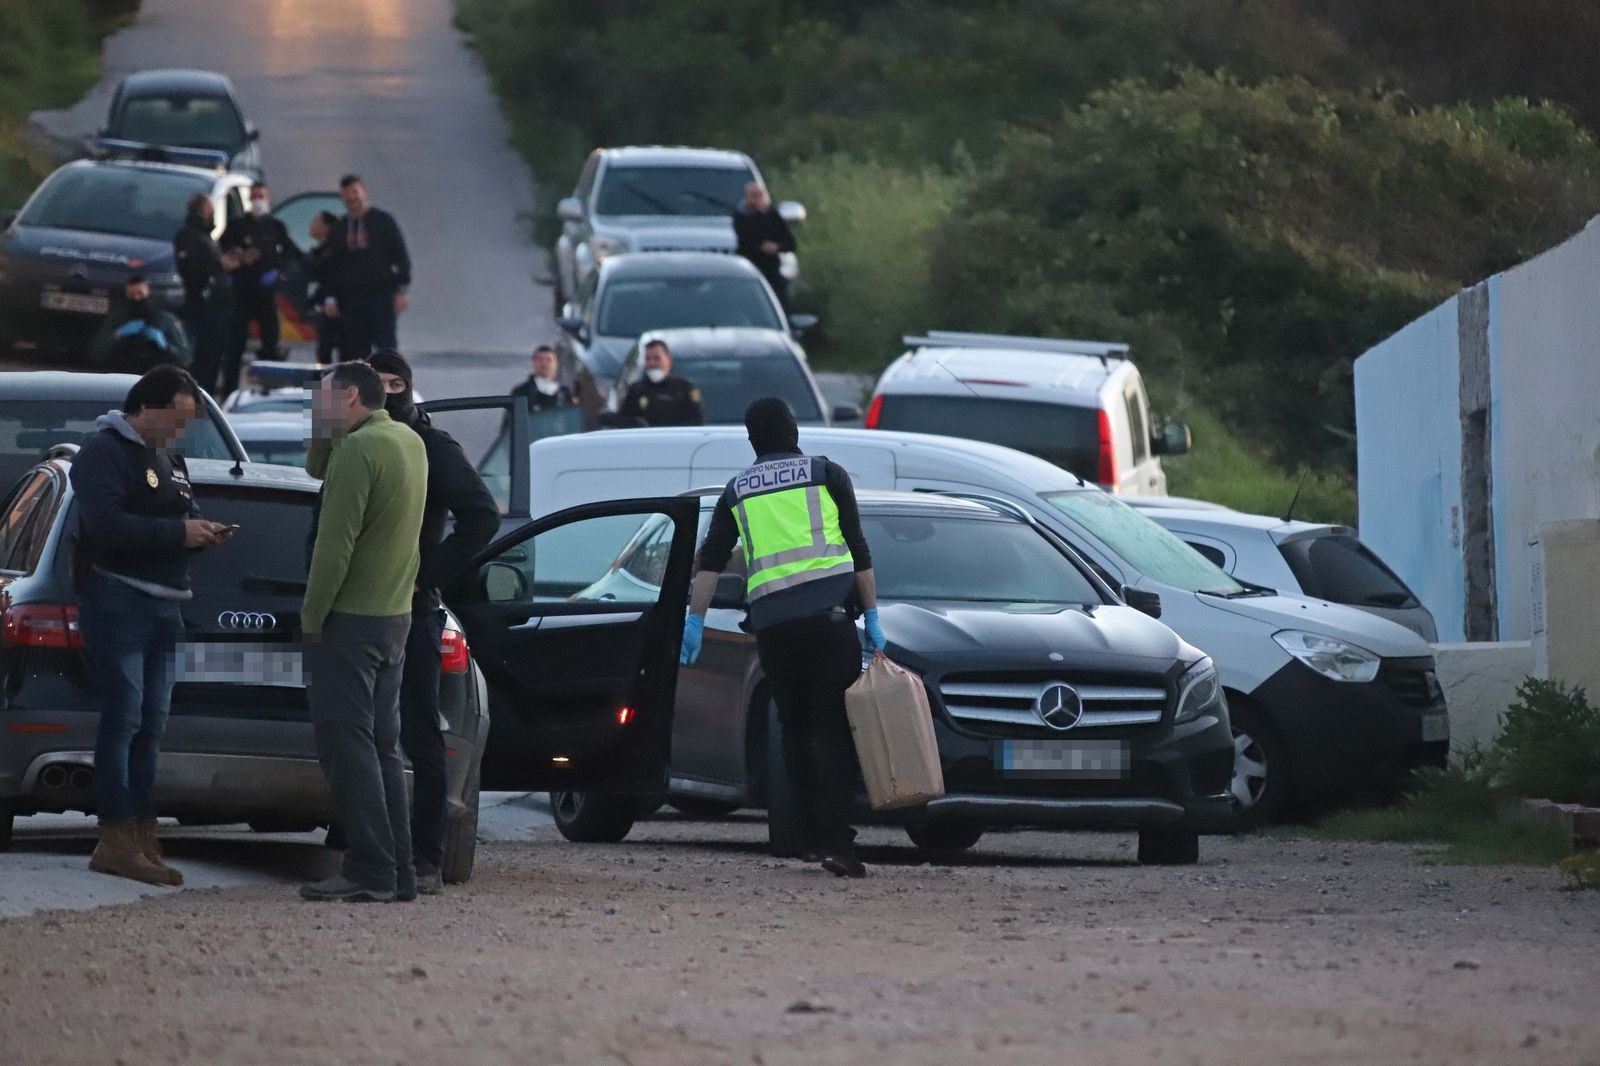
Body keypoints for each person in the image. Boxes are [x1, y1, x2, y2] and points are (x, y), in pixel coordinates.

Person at [681, 397, 884, 878]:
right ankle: (839, 842)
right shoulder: (826, 473)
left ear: (753, 440)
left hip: (775, 633)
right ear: (794, 430)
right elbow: (858, 548)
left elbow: (710, 560)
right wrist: (873, 615)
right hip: (830, 624)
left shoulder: (738, 490)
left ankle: (806, 837)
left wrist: (694, 620)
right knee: (832, 730)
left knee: (794, 732)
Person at [69, 365, 235, 886]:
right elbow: (106, 525)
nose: (180, 433)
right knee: (123, 717)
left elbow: (183, 511)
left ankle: (143, 831)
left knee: (153, 722)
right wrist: (178, 533)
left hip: (168, 603)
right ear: (147, 406)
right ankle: (115, 834)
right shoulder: (103, 452)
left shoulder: (170, 458)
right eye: (177, 419)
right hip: (118, 599)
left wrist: (201, 532)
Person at [352, 349, 498, 894]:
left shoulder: (432, 446)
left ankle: (424, 856)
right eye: (377, 383)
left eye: (397, 383)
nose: (388, 392)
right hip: (357, 608)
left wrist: (424, 574)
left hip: (411, 611)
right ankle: (364, 845)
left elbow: (481, 516)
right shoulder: (348, 439)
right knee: (360, 731)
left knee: (418, 730)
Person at [299, 361, 428, 903]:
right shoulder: (408, 441)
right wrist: (324, 429)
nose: (316, 412)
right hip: (395, 616)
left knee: (346, 746)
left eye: (323, 402)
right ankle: (399, 871)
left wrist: (311, 620)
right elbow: (314, 468)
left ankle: (369, 868)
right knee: (382, 747)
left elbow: (334, 548)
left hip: (351, 619)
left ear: (351, 396)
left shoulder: (358, 452)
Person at [219, 181, 298, 395]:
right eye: (254, 197)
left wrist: (278, 274)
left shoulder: (275, 226)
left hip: (266, 293)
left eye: (261, 196)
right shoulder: (236, 226)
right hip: (241, 292)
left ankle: (269, 389)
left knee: (269, 343)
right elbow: (222, 250)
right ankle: (229, 391)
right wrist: (233, 268)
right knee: (235, 344)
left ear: (268, 198)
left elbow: (290, 255)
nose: (257, 201)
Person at [324, 175, 411, 358]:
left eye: (355, 192)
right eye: (347, 195)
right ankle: (356, 387)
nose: (352, 198)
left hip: (381, 297)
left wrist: (402, 289)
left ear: (364, 192)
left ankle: (392, 385)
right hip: (350, 300)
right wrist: (330, 297)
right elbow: (332, 265)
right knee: (353, 353)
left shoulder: (383, 221)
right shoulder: (340, 228)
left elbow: (400, 256)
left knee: (386, 350)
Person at [173, 193, 237, 395]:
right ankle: (199, 396)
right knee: (203, 358)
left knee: (214, 356)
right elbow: (194, 272)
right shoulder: (190, 236)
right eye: (210, 210)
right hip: (204, 308)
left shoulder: (204, 237)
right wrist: (218, 266)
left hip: (216, 308)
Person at [88, 274, 192, 370]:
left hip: (155, 375)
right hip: (123, 372)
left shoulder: (165, 319)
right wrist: (117, 334)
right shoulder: (117, 319)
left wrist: (165, 344)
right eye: (132, 295)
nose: (136, 298)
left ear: (148, 292)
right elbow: (95, 353)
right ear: (126, 294)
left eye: (140, 294)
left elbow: (185, 358)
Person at [732, 182, 796, 308]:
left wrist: (777, 247)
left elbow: (791, 243)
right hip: (749, 270)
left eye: (760, 195)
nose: (758, 199)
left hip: (771, 271)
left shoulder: (774, 216)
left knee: (780, 299)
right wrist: (760, 213)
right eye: (754, 196)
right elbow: (746, 240)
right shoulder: (741, 217)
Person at [617, 339, 703, 427]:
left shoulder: (685, 389)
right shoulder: (636, 390)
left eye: (656, 358)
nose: (651, 363)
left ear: (668, 360)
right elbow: (624, 422)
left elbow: (696, 422)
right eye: (647, 359)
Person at [307, 210, 342, 364]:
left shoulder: (333, 253)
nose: (311, 224)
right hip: (323, 309)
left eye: (316, 221)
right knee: (323, 352)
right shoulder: (318, 252)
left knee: (333, 350)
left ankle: (332, 387)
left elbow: (329, 280)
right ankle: (323, 387)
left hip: (334, 308)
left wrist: (326, 299)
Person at [509, 344, 577, 414]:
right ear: (534, 363)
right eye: (540, 359)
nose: (544, 364)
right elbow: (511, 421)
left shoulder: (565, 393)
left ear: (556, 364)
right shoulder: (521, 392)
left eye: (549, 360)